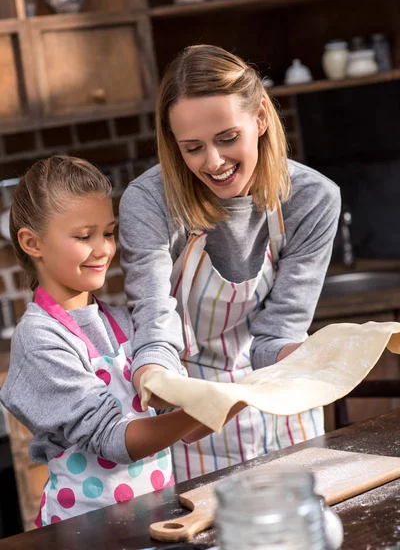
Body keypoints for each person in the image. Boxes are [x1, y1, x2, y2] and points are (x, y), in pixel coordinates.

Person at [119, 44, 341, 483]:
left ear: (260, 118)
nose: (214, 162)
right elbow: (155, 326)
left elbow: (276, 335)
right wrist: (153, 376)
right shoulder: (149, 204)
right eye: (192, 148)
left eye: (227, 138)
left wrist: (328, 358)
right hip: (195, 421)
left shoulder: (311, 199)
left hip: (283, 404)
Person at [0, 155, 211, 525]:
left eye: (108, 232)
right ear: (33, 243)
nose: (103, 249)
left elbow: (180, 423)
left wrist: (236, 398)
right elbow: (115, 441)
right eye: (84, 236)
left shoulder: (122, 321)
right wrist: (200, 409)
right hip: (86, 532)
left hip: (155, 523)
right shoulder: (39, 339)